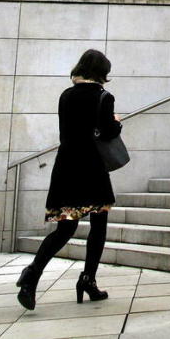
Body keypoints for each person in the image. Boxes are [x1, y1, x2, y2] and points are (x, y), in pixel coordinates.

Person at [15, 49, 122, 310]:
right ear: (101, 73)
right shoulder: (104, 97)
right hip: (92, 169)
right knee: (98, 225)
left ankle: (32, 276)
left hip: (66, 168)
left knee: (64, 228)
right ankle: (88, 280)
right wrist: (116, 122)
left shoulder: (66, 95)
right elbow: (107, 131)